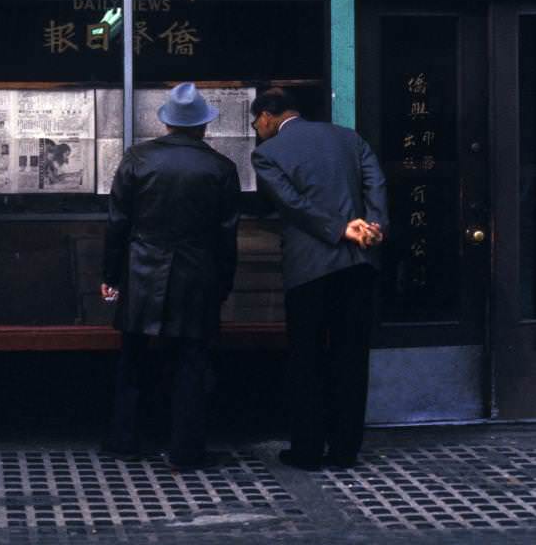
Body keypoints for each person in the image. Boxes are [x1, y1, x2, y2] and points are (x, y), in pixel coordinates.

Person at [100, 82, 240, 471]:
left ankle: (125, 440)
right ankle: (185, 451)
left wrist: (111, 274)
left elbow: (117, 223)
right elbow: (227, 235)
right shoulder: (221, 168)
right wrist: (224, 282)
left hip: (142, 270)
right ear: (203, 126)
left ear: (167, 124)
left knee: (134, 357)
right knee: (191, 363)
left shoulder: (137, 160)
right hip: (198, 275)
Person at [249, 88, 388, 471]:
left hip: (309, 269)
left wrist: (340, 229)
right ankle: (345, 450)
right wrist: (374, 226)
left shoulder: (267, 154)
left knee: (306, 359)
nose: (256, 130)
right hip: (359, 264)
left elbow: (293, 204)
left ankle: (308, 450)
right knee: (351, 356)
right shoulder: (348, 137)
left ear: (266, 116)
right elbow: (375, 183)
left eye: (255, 122)